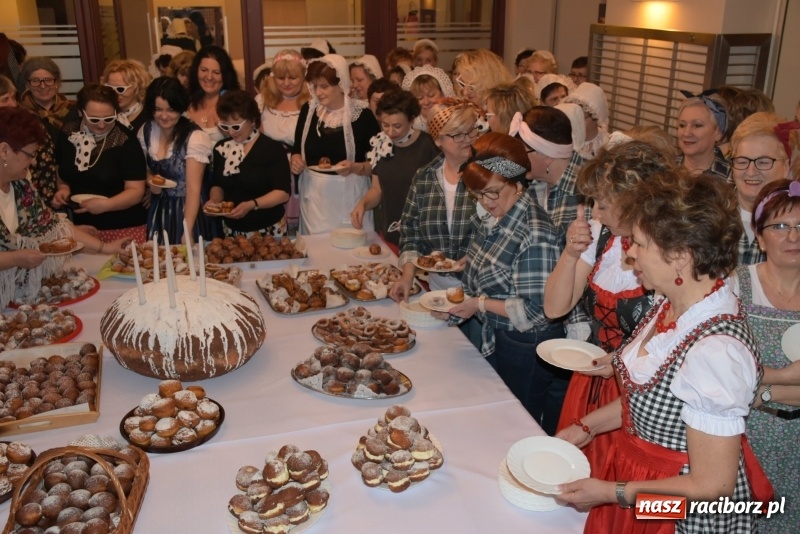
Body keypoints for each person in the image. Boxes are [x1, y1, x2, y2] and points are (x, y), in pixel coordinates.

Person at [556, 170, 766, 534]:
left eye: (638, 244)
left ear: (680, 256)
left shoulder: (715, 351)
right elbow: (650, 402)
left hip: (676, 513)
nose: (630, 255)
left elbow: (712, 488)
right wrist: (585, 427)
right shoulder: (668, 302)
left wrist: (612, 493)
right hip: (641, 487)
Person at [544, 140, 673, 472]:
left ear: (633, 203)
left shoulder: (670, 254)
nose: (595, 213)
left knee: (623, 481)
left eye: (602, 204)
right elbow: (554, 309)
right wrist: (571, 254)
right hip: (593, 376)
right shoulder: (604, 236)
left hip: (640, 393)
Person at [446, 132, 566, 431]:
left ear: (517, 183)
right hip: (502, 335)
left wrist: (479, 304)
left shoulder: (534, 233)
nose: (485, 202)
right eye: (477, 195)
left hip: (526, 344)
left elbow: (538, 311)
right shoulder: (501, 214)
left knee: (517, 421)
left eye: (492, 193)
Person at [0, 107, 130, 307]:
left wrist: (106, 248)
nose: (33, 162)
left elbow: (55, 227)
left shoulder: (22, 187)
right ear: (5, 151)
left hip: (18, 294)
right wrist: (14, 258)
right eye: (30, 154)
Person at [737, 179, 800, 533]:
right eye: (779, 226)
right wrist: (790, 376)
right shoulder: (732, 286)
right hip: (742, 441)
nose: (792, 236)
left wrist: (763, 388)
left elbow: (744, 379)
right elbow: (719, 376)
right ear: (759, 237)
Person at [390, 98, 481, 303]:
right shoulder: (424, 177)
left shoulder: (488, 174)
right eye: (457, 134)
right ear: (438, 140)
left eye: (471, 131)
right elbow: (410, 234)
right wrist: (407, 277)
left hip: (479, 290)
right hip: (437, 290)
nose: (467, 139)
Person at [290, 54, 380, 234]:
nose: (318, 92)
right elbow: (297, 149)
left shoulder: (363, 116)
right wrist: (296, 159)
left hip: (351, 197)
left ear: (341, 84)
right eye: (315, 86)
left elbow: (377, 165)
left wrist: (355, 167)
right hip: (315, 201)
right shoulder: (308, 111)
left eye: (324, 86)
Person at [54, 84, 147, 243]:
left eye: (109, 119)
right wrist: (63, 189)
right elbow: (62, 170)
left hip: (121, 225)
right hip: (81, 227)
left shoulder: (124, 140)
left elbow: (136, 191)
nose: (102, 125)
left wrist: (107, 205)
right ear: (80, 112)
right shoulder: (68, 132)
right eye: (94, 119)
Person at [351, 89, 439, 249]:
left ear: (412, 120)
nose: (390, 132)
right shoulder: (380, 144)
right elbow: (377, 189)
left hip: (422, 235)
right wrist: (363, 204)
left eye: (397, 126)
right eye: (385, 125)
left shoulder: (427, 146)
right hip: (390, 233)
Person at [206, 90, 291, 237]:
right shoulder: (222, 148)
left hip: (268, 228)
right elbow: (218, 184)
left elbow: (282, 193)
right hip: (231, 229)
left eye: (236, 126)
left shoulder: (272, 148)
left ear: (252, 120)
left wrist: (252, 204)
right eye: (225, 127)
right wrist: (214, 201)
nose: (231, 132)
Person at [139, 77, 213, 244]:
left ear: (181, 108)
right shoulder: (146, 131)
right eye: (158, 109)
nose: (164, 116)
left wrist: (187, 230)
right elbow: (146, 169)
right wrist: (152, 182)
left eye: (171, 110)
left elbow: (194, 189)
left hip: (188, 210)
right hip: (159, 209)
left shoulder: (195, 137)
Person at [730, 113, 790, 265]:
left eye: (763, 162)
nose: (751, 171)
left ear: (785, 167)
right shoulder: (710, 213)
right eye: (742, 161)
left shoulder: (794, 221)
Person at [186, 46, 241, 145]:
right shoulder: (186, 102)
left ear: (225, 76)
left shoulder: (235, 105)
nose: (209, 77)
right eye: (204, 70)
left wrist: (228, 133)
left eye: (216, 72)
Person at [675, 90, 730, 180]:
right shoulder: (665, 171)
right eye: (682, 125)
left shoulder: (731, 178)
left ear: (718, 133)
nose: (687, 133)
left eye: (697, 125)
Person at [18, 57, 76, 130]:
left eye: (48, 80)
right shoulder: (19, 114)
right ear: (27, 84)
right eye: (35, 81)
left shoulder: (73, 109)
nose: (42, 86)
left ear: (57, 83)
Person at [101, 59, 152, 134]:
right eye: (110, 88)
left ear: (137, 87)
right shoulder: (102, 117)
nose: (114, 94)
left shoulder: (149, 118)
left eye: (120, 89)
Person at [562, 82, 610, 160]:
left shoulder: (608, 145)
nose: (575, 122)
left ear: (595, 117)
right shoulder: (565, 140)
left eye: (581, 118)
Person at [401, 65, 455, 132]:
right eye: (420, 98)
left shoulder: (453, 119)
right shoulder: (410, 124)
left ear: (442, 93)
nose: (426, 102)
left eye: (431, 95)